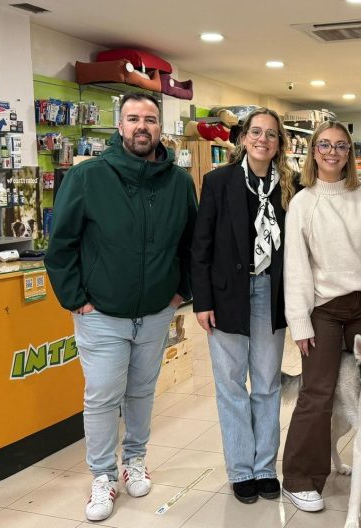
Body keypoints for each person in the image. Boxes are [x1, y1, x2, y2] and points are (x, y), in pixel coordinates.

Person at [45, 93, 198, 522]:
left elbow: (191, 244)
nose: (141, 127)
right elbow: (61, 245)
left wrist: (180, 291)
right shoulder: (88, 176)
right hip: (102, 314)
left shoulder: (179, 182)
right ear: (120, 126)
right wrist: (76, 299)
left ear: (159, 127)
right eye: (133, 119)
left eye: (149, 119)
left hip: (156, 312)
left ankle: (135, 460)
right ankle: (102, 475)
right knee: (101, 398)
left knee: (142, 391)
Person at [281, 120, 361, 512]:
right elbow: (296, 267)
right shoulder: (303, 203)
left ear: (349, 152)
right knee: (316, 392)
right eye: (324, 145)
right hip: (324, 311)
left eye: (340, 146)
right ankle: (300, 478)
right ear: (313, 151)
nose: (332, 152)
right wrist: (300, 322)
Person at [190, 107, 297, 504]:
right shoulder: (218, 182)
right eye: (256, 132)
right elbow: (200, 246)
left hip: (271, 292)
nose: (262, 140)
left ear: (279, 143)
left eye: (271, 134)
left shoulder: (292, 186)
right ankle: (240, 469)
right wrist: (202, 301)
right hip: (226, 295)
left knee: (267, 383)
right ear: (243, 138)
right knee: (231, 384)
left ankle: (265, 466)